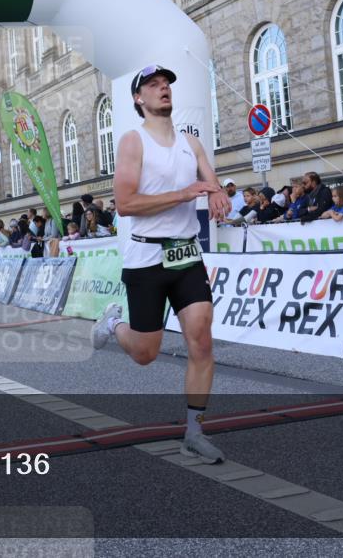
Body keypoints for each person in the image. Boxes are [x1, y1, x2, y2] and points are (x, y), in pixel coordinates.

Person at [91, 64, 230, 464]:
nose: (163, 88)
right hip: (146, 256)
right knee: (145, 353)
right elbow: (126, 204)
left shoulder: (191, 143)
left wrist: (217, 194)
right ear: (139, 98)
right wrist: (185, 193)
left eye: (167, 83)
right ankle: (114, 323)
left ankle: (194, 430)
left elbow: (211, 182)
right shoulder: (134, 143)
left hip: (186, 254)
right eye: (153, 85)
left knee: (201, 339)